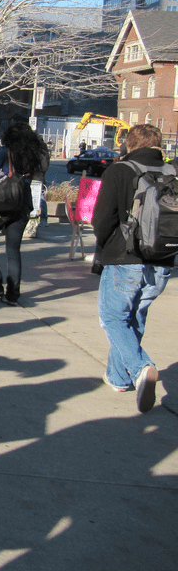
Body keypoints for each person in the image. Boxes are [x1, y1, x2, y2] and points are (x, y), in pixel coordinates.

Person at [92, 124, 173, 412]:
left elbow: (102, 219)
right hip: (162, 259)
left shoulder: (120, 170)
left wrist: (104, 247)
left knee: (112, 317)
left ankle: (141, 368)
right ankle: (118, 377)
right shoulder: (171, 172)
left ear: (129, 143)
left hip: (126, 258)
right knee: (134, 317)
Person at [0, 122, 48, 306]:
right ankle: (13, 293)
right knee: (13, 250)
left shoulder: (3, 152)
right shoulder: (33, 154)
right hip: (21, 204)